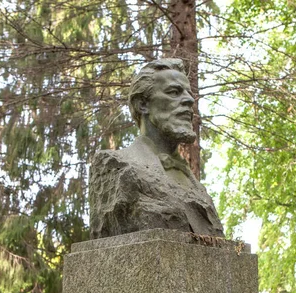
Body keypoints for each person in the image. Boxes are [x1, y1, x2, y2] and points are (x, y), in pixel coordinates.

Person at [89, 58, 224, 239]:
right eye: (174, 92)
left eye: (189, 94)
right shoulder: (117, 166)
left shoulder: (196, 185)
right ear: (142, 104)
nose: (189, 100)